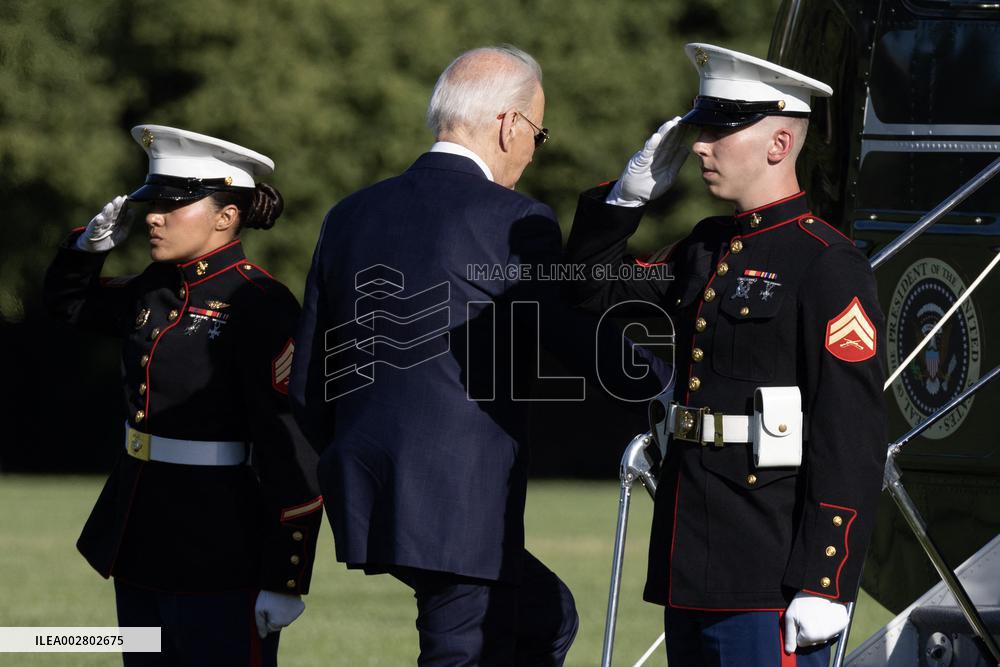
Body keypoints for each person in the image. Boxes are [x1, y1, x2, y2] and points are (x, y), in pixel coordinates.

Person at [565, 44, 887, 665]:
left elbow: (850, 433)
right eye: (700, 128)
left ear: (777, 144)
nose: (701, 146)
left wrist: (828, 581)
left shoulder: (826, 263)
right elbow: (586, 286)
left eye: (719, 129)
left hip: (771, 569)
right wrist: (625, 199)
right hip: (693, 555)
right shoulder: (708, 247)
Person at [291, 46, 579, 665]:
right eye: (539, 133)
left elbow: (309, 377)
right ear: (510, 125)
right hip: (460, 498)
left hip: (366, 481)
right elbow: (567, 332)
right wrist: (668, 384)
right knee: (468, 650)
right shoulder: (516, 218)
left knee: (544, 617)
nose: (533, 151)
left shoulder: (349, 214)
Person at [44, 125, 323, 666]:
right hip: (140, 533)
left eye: (174, 204)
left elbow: (291, 444)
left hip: (221, 545)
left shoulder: (259, 303)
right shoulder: (157, 287)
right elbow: (68, 307)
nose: (154, 216)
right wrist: (86, 248)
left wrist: (286, 576)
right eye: (152, 202)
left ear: (226, 215)